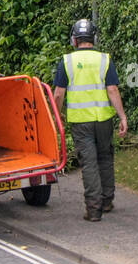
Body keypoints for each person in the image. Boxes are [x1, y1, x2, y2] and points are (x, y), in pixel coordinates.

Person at [52, 18, 128, 221]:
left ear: (74, 40)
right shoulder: (105, 60)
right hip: (104, 120)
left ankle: (94, 210)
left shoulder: (66, 62)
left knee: (89, 163)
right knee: (105, 158)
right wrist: (122, 116)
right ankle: (107, 201)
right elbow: (112, 89)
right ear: (94, 38)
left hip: (80, 123)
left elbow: (59, 94)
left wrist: (56, 115)